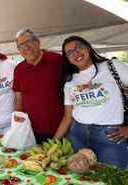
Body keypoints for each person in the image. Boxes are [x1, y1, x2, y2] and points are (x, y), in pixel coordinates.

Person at [54, 36, 128, 169]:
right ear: (68, 60)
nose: (75, 53)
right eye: (70, 53)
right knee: (81, 179)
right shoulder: (70, 82)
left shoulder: (112, 66)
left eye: (78, 47)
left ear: (87, 47)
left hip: (109, 135)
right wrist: (54, 142)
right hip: (77, 134)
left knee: (113, 177)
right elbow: (67, 115)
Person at [13, 27, 64, 144]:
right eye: (21, 46)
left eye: (29, 42)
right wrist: (16, 114)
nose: (26, 48)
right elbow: (19, 97)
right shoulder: (18, 69)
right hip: (30, 130)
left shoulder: (57, 60)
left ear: (38, 42)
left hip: (59, 130)